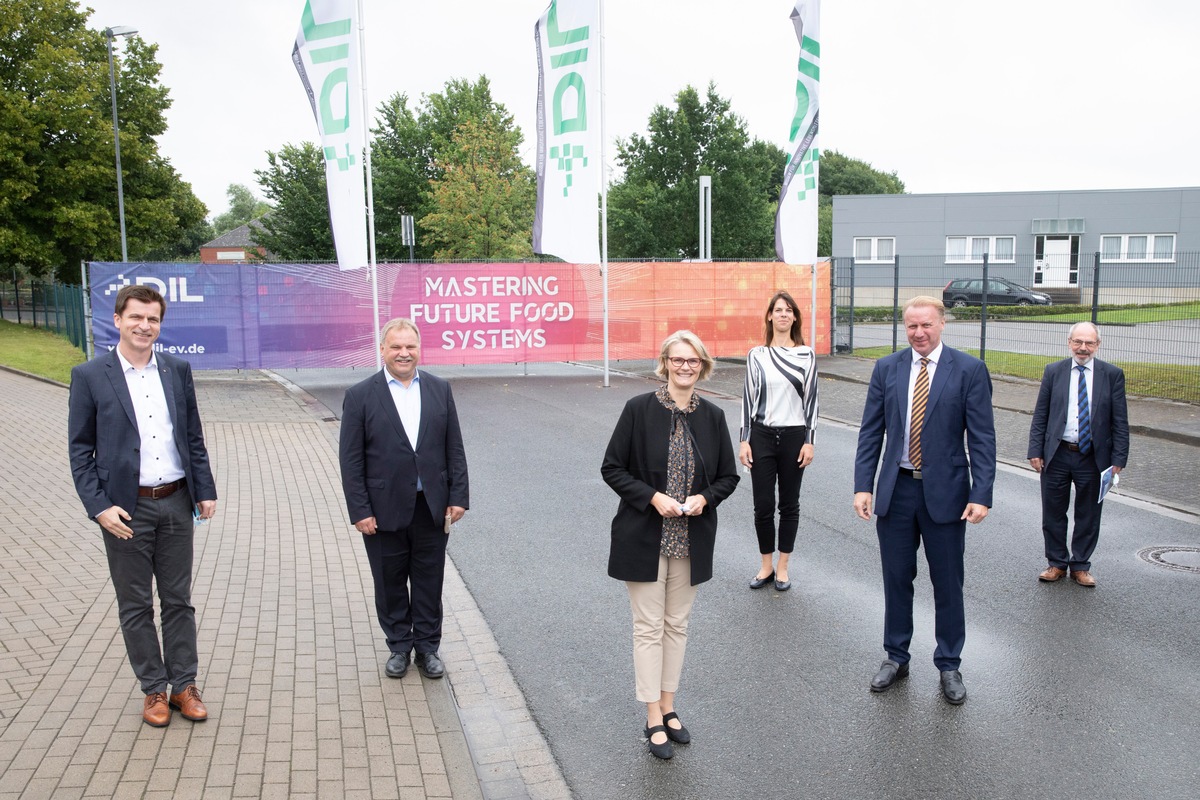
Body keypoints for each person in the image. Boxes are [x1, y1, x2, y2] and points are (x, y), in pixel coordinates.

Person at [67, 284, 218, 728]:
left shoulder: (176, 369)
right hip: (124, 512)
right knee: (135, 605)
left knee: (178, 601)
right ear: (117, 320)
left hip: (175, 502)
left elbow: (192, 436)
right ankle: (153, 689)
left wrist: (204, 489)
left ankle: (183, 686)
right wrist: (100, 508)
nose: (144, 326)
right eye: (136, 317)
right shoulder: (91, 375)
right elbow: (80, 452)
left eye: (152, 319)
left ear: (160, 324)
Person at [602, 331, 739, 760]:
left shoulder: (714, 416)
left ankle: (669, 704)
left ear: (703, 365)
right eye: (677, 360)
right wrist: (652, 497)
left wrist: (705, 498)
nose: (685, 367)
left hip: (691, 538)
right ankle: (651, 716)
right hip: (644, 535)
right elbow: (612, 468)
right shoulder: (638, 410)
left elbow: (728, 477)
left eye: (693, 361)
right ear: (665, 363)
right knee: (648, 628)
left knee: (676, 625)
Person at [852, 296, 996, 706]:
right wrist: (864, 485)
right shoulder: (887, 368)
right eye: (911, 326)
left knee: (948, 583)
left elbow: (983, 438)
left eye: (926, 325)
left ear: (942, 324)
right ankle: (896, 656)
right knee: (897, 579)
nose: (919, 333)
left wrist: (981, 493)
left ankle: (949, 663)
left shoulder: (968, 370)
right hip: (896, 492)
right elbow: (870, 432)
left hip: (947, 495)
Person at [339, 318, 469, 681]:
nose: (403, 353)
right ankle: (399, 645)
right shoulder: (361, 396)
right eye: (396, 346)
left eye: (410, 346)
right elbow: (351, 461)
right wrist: (360, 510)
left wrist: (459, 496)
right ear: (382, 350)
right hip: (382, 512)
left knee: (429, 580)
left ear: (419, 349)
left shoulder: (440, 390)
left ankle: (428, 647)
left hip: (431, 507)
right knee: (389, 580)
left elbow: (453, 448)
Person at [1027, 321, 1129, 588]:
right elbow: (1041, 415)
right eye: (1078, 342)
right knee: (1053, 512)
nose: (1083, 348)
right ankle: (1057, 563)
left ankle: (1081, 565)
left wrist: (1119, 458)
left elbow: (1120, 420)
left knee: (1089, 514)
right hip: (1057, 454)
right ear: (1069, 342)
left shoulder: (1112, 375)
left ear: (1098, 345)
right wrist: (1035, 449)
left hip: (1093, 457)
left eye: (1089, 343)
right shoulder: (1054, 371)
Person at [739, 290, 818, 592]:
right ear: (769, 316)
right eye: (778, 310)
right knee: (762, 505)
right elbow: (747, 399)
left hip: (794, 436)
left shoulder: (807, 355)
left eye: (789, 310)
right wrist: (744, 440)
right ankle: (765, 565)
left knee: (789, 504)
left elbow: (812, 402)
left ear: (795, 317)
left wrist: (809, 440)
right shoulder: (756, 355)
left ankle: (783, 567)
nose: (783, 314)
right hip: (761, 435)